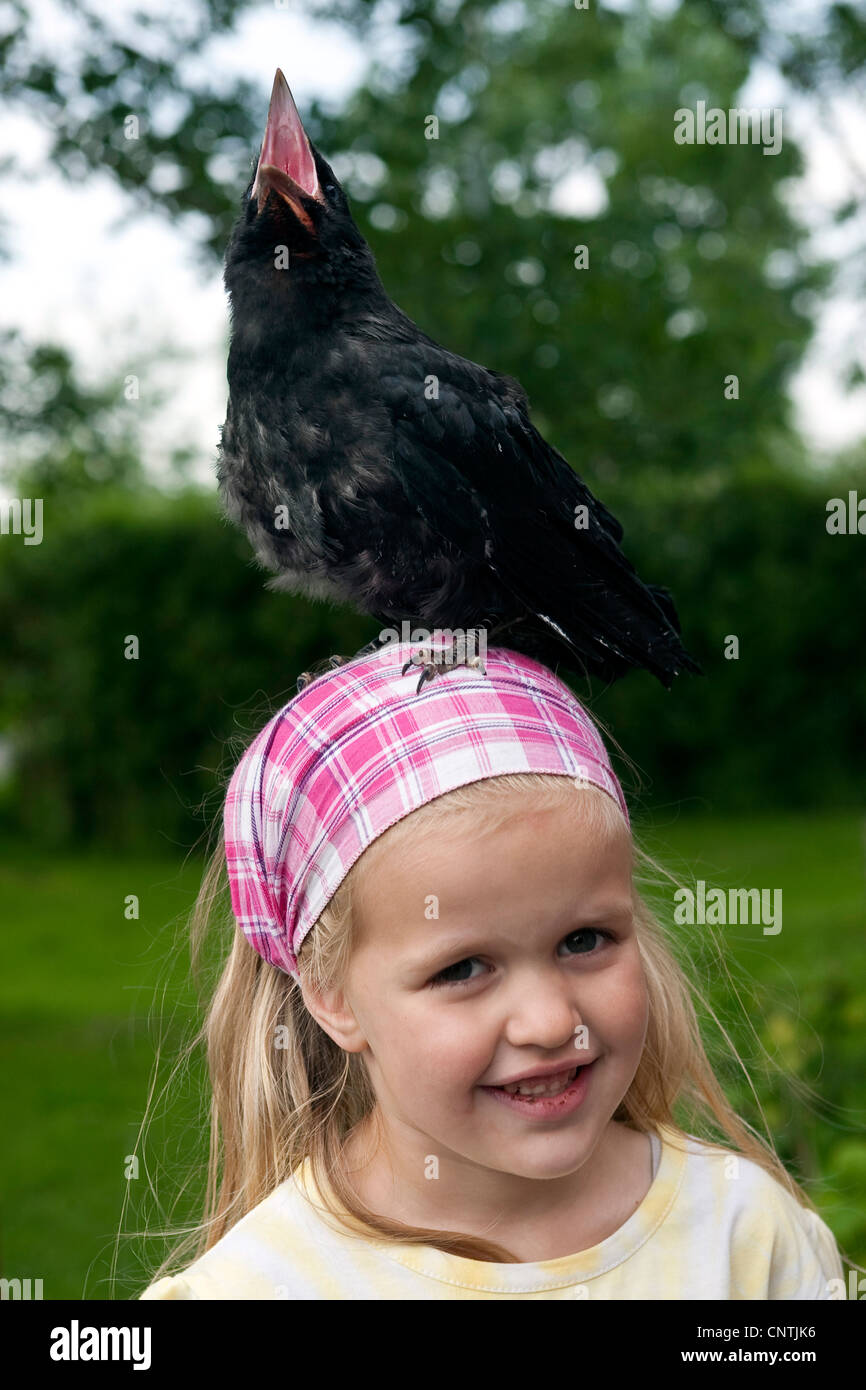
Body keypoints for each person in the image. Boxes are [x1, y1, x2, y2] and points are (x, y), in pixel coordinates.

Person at [137, 638, 845, 1300]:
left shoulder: (744, 1242)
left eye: (584, 940)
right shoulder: (263, 1287)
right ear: (331, 996)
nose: (550, 1022)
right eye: (464, 968)